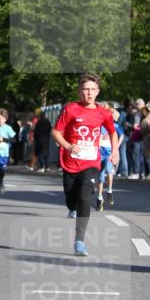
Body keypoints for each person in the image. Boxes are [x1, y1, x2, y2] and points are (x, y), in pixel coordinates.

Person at [52, 73, 118, 257]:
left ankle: (79, 240)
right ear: (79, 91)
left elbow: (112, 133)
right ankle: (72, 208)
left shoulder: (103, 113)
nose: (89, 93)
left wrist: (115, 152)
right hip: (70, 161)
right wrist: (68, 146)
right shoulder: (71, 109)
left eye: (92, 90)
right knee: (71, 198)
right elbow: (56, 132)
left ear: (98, 92)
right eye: (85, 89)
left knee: (85, 198)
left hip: (91, 162)